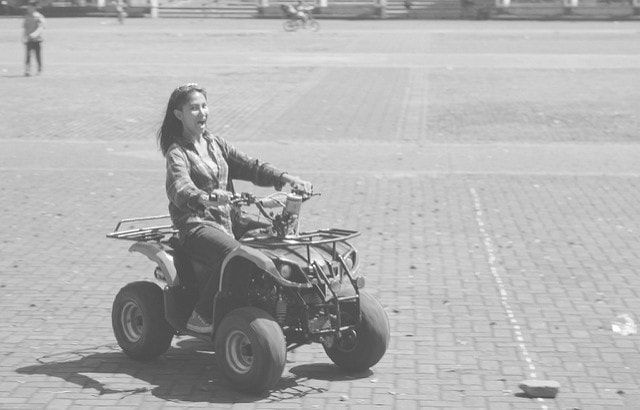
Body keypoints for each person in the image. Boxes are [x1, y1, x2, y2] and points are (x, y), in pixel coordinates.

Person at [158, 83, 312, 334]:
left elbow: (251, 166)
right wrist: (204, 197)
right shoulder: (177, 153)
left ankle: (283, 303)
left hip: (231, 219)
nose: (202, 113)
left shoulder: (216, 144)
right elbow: (179, 188)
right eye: (194, 108)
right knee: (236, 254)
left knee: (281, 238)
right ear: (179, 115)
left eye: (204, 106)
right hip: (197, 225)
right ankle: (202, 314)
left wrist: (287, 179)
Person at [23, 0, 45, 77]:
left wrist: (34, 34)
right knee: (28, 56)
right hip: (29, 40)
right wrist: (24, 37)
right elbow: (25, 28)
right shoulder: (27, 16)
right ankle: (27, 70)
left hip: (37, 40)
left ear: (34, 7)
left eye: (30, 7)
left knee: (37, 56)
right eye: (28, 7)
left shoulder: (39, 16)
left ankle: (39, 70)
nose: (28, 8)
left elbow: (41, 27)